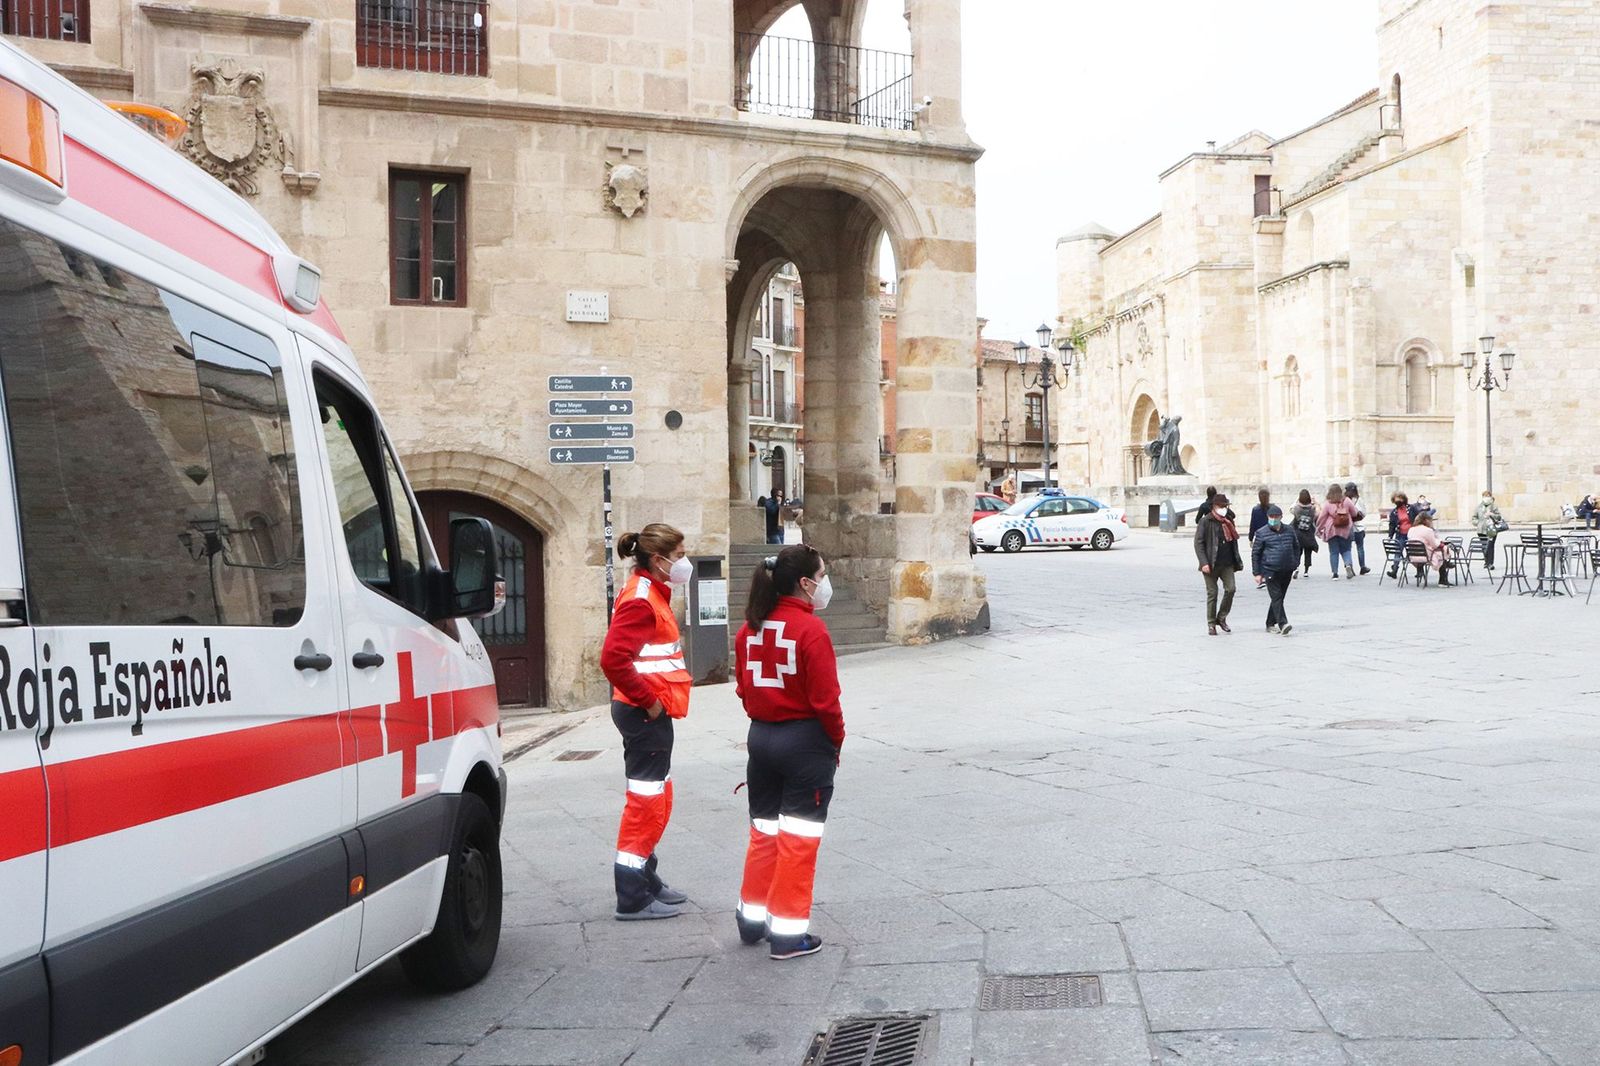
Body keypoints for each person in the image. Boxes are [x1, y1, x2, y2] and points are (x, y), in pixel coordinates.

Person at [732, 544, 844, 961]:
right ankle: (788, 935)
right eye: (822, 574)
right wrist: (835, 742)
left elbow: (743, 688)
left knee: (764, 833)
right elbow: (827, 701)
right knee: (799, 839)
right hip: (803, 743)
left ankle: (752, 920)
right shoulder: (811, 631)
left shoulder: (750, 629)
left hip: (761, 740)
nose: (824, 582)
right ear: (805, 583)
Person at [600, 524, 695, 920]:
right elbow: (612, 660)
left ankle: (647, 877)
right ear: (659, 560)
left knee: (656, 796)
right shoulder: (642, 600)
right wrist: (650, 703)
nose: (684, 561)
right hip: (644, 713)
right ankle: (632, 895)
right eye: (680, 554)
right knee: (645, 802)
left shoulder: (649, 591)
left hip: (649, 712)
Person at [1194, 492, 1243, 635]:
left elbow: (1233, 541)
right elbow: (1198, 543)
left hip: (1226, 562)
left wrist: (1236, 560)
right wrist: (1203, 562)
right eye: (1221, 506)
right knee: (1212, 593)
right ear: (1214, 506)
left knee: (1231, 589)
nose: (1224, 508)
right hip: (1210, 563)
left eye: (1225, 506)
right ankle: (1211, 624)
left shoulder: (1228, 520)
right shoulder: (1206, 521)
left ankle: (1221, 617)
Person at [1251, 504, 1298, 635]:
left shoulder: (1289, 530)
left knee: (1279, 598)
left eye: (1276, 517)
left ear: (1281, 517)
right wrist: (1257, 573)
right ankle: (1283, 623)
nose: (1273, 519)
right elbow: (1256, 554)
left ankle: (1270, 623)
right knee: (1276, 597)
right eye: (1271, 516)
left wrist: (1295, 563)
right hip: (1270, 570)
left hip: (1287, 569)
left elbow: (1296, 547)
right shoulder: (1261, 533)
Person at [1317, 483, 1357, 579]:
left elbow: (1322, 517)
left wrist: (1318, 528)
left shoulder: (1328, 503)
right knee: (1346, 550)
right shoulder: (1346, 501)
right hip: (1346, 529)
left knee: (1333, 552)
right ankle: (1347, 565)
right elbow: (1355, 513)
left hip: (1332, 530)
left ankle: (1335, 574)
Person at [1406, 511, 1455, 586]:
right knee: (1443, 552)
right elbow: (1435, 545)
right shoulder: (1428, 530)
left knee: (1441, 553)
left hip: (1413, 555)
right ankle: (1443, 580)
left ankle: (1445, 565)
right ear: (1426, 520)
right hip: (1426, 556)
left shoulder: (1411, 529)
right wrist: (1442, 544)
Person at [1473, 490, 1506, 572]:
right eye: (1485, 496)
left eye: (1488, 496)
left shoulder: (1493, 506)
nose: (1486, 498)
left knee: (1490, 546)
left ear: (1490, 497)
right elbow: (1474, 518)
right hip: (1481, 530)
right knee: (1484, 546)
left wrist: (1492, 514)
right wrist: (1479, 523)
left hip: (1491, 529)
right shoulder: (1479, 507)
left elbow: (1499, 517)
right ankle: (1486, 562)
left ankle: (1490, 563)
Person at [1343, 482, 1370, 575]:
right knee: (1360, 548)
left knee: (1347, 549)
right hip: (1358, 527)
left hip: (1347, 527)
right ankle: (1362, 567)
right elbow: (1364, 513)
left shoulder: (1344, 500)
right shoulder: (1359, 500)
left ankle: (1349, 566)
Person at [1291, 489, 1319, 577]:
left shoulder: (1297, 509)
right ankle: (1306, 571)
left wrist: (1296, 500)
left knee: (1298, 552)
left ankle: (1296, 568)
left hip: (1298, 534)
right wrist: (1316, 502)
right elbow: (1318, 514)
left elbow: (1291, 509)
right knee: (1308, 553)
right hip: (1309, 534)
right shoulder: (1312, 509)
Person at [1386, 492, 1414, 578]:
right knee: (1398, 552)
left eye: (1400, 498)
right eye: (1396, 499)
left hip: (1412, 534)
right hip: (1400, 534)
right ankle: (1394, 570)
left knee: (1415, 552)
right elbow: (1392, 525)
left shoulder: (1411, 508)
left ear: (1404, 499)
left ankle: (1419, 570)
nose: (1398, 500)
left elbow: (1417, 517)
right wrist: (1390, 535)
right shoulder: (1394, 512)